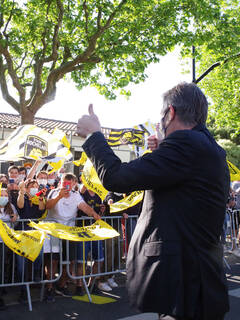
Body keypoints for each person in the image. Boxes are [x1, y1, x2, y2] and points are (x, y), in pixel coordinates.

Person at [77, 82, 230, 320]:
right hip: (196, 278)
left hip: (184, 284)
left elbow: (116, 177)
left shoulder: (185, 146)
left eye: (162, 114)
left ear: (171, 112)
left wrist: (94, 135)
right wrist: (162, 149)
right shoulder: (208, 147)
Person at [43, 173, 101, 302]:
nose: (67, 185)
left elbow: (83, 206)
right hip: (53, 231)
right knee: (53, 261)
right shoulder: (54, 192)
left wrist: (94, 214)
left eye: (70, 183)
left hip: (69, 232)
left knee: (70, 261)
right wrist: (59, 196)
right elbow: (48, 206)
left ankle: (62, 285)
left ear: (74, 183)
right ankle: (49, 288)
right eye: (65, 182)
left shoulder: (76, 195)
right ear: (61, 182)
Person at [16, 179, 46, 302]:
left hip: (36, 235)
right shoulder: (23, 197)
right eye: (32, 186)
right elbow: (20, 205)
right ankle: (23, 289)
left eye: (36, 186)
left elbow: (41, 210)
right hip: (22, 235)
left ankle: (36, 273)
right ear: (27, 188)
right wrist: (21, 193)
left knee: (39, 257)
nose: (34, 188)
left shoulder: (40, 198)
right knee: (21, 265)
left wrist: (40, 199)